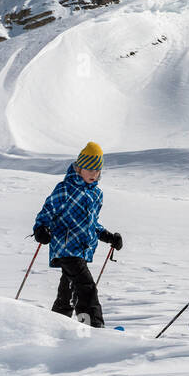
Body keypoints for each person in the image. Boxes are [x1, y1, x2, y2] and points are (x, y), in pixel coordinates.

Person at [32, 141, 122, 329]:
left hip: (82, 249)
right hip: (65, 247)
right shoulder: (64, 188)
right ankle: (93, 328)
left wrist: (108, 236)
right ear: (78, 168)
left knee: (68, 292)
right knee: (86, 288)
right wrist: (40, 229)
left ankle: (56, 327)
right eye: (88, 169)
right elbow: (46, 212)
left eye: (96, 170)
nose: (93, 173)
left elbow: (92, 223)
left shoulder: (96, 194)